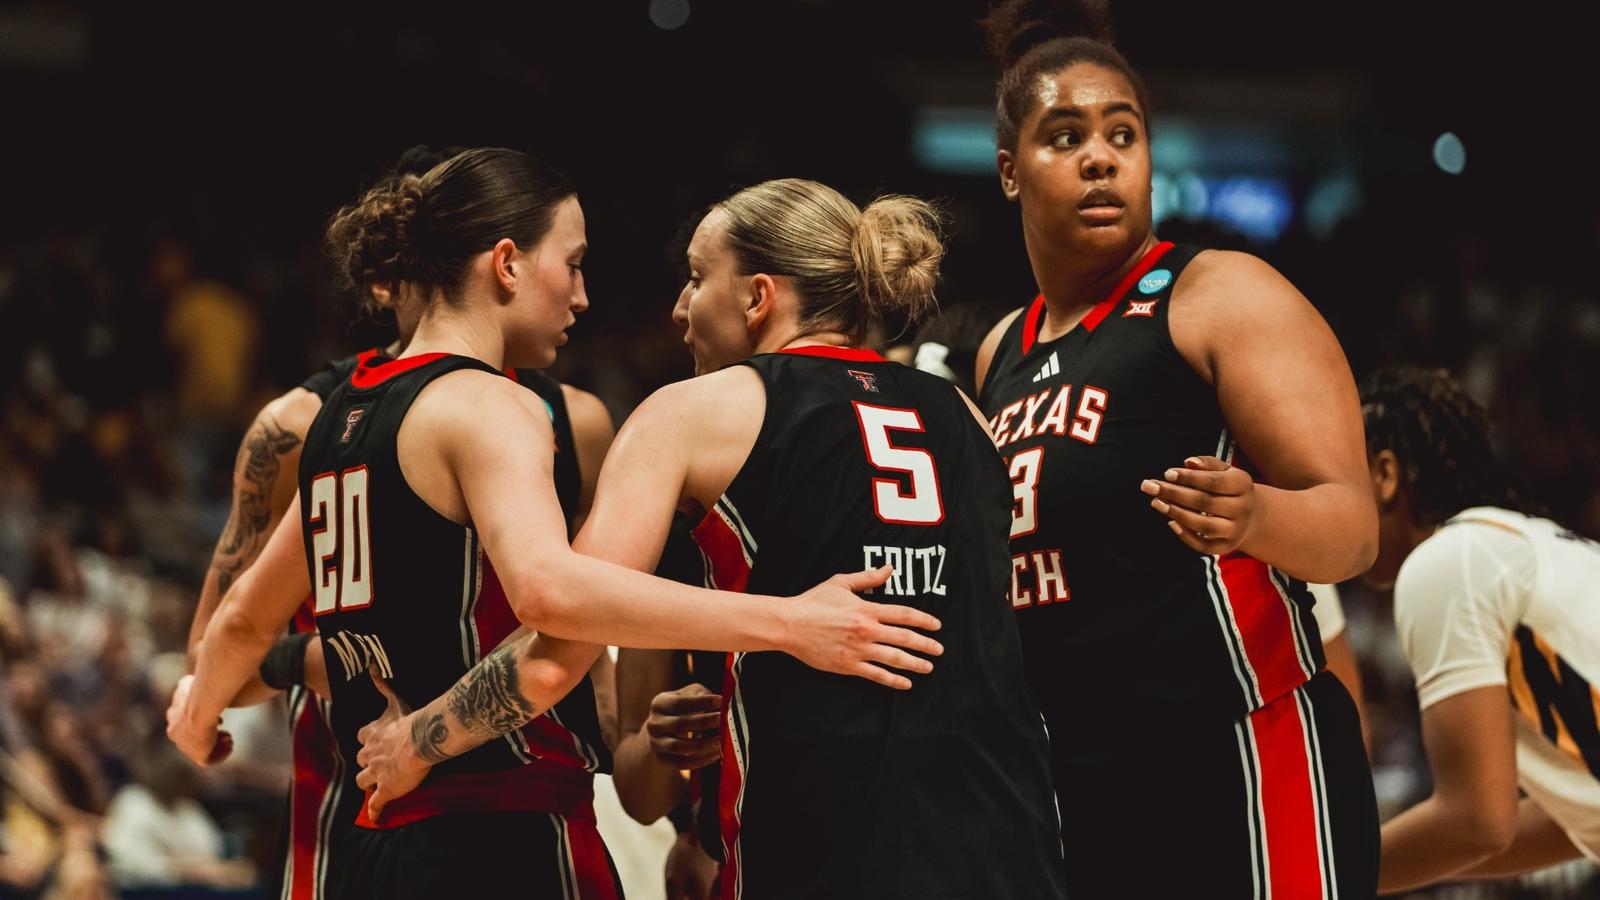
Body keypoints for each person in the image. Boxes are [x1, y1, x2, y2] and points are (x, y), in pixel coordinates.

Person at [169, 149, 939, 899]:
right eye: (571, 263)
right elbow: (552, 598)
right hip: (504, 825)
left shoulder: (335, 418)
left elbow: (237, 624)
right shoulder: (497, 406)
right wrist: (789, 623)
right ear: (506, 263)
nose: (583, 294)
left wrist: (198, 718)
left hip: (368, 831)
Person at [355, 177, 1068, 900]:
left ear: (758, 297)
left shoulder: (694, 413)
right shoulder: (968, 416)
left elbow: (559, 630)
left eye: (697, 279)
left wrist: (417, 740)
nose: (678, 308)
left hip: (825, 844)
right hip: (1011, 837)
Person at [972, 1, 1379, 895]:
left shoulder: (1220, 294)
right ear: (1009, 171)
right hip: (1080, 776)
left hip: (1239, 751)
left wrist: (1259, 513)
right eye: (1064, 136)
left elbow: (1352, 527)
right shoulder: (1002, 347)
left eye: (1124, 133)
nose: (1100, 157)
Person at [1360, 366, 1600, 893]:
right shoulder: (1518, 542)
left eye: (1337, 476)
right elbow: (1575, 819)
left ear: (1385, 474)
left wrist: (1322, 877)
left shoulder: (1446, 562)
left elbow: (1476, 821)